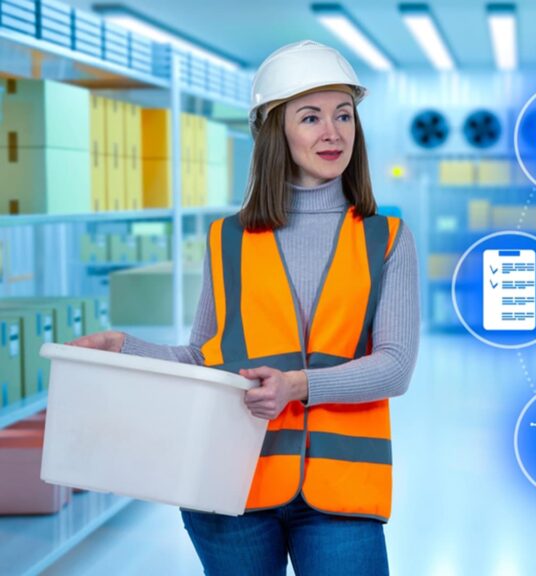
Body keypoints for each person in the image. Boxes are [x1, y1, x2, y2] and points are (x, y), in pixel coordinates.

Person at [70, 40, 419, 576]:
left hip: (342, 487)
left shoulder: (386, 238)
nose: (333, 132)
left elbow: (395, 366)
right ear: (275, 130)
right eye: (311, 117)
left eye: (344, 115)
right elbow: (205, 357)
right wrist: (126, 349)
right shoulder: (227, 239)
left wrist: (298, 386)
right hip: (232, 478)